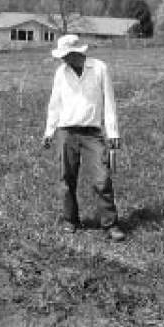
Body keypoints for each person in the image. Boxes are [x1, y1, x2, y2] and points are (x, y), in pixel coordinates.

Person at [42, 34, 125, 241]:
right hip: (66, 132)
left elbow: (109, 101)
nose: (62, 59)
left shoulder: (99, 68)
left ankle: (110, 224)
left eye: (65, 55)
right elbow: (55, 103)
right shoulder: (61, 73)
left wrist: (113, 132)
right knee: (66, 179)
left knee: (102, 178)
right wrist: (49, 131)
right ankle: (70, 220)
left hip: (92, 133)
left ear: (75, 53)